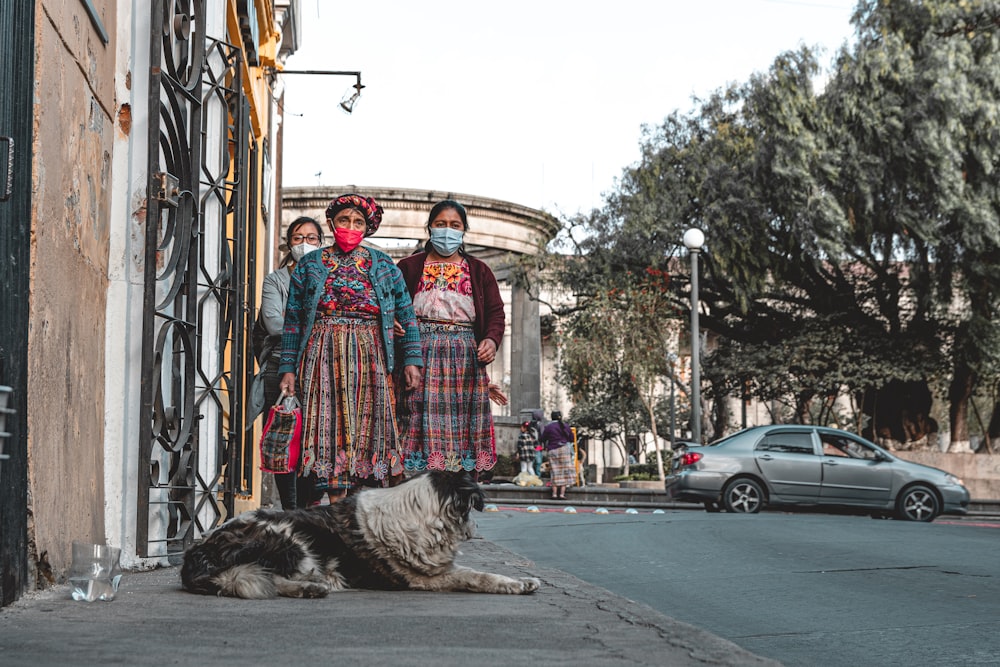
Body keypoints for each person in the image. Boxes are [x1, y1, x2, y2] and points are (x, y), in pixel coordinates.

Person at [278, 194, 422, 501]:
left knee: (370, 431)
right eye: (344, 221)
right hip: (322, 356)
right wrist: (287, 368)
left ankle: (362, 508)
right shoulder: (310, 265)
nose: (350, 227)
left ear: (368, 228)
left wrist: (411, 359)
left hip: (371, 356)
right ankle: (335, 509)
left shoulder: (383, 265)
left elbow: (405, 314)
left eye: (358, 222)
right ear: (331, 224)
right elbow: (292, 321)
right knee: (326, 432)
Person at [396, 199, 504, 476]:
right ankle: (417, 501)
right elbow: (393, 308)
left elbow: (495, 313)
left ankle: (457, 503)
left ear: (464, 230)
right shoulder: (408, 267)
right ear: (429, 228)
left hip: (465, 358)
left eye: (455, 225)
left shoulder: (479, 271)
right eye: (440, 224)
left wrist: (490, 341)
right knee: (416, 420)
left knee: (463, 428)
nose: (447, 230)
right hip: (419, 355)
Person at [255, 216, 325, 509]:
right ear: (289, 243)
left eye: (311, 238)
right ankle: (290, 510)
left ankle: (309, 507)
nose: (304, 244)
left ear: (321, 244)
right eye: (298, 238)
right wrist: (315, 329)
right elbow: (273, 323)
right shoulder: (277, 280)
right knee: (286, 437)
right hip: (280, 364)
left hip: (320, 367)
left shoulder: (329, 278)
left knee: (318, 438)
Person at [539, 410, 575, 499]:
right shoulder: (565, 426)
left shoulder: (549, 427)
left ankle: (554, 494)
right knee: (564, 471)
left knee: (555, 471)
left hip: (553, 450)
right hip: (564, 449)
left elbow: (543, 438)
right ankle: (562, 494)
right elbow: (571, 438)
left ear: (551, 417)